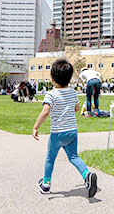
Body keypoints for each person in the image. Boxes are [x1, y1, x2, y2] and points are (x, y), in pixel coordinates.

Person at [33, 58, 97, 198]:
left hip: (57, 133)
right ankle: (87, 175)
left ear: (52, 79)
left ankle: (46, 184)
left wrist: (36, 127)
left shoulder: (51, 94)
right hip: (72, 132)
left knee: (50, 158)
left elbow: (45, 111)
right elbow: (77, 108)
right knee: (73, 156)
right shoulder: (73, 92)